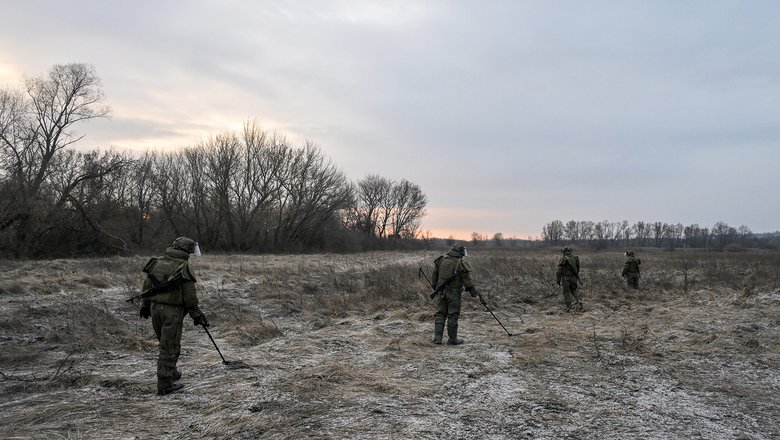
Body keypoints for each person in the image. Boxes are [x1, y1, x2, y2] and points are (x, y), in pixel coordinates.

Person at [139, 237, 209, 396]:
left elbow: (147, 286)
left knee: (164, 342)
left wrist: (145, 305)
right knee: (170, 346)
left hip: (155, 309)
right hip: (172, 311)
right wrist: (195, 313)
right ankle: (164, 384)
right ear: (187, 250)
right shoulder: (183, 266)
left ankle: (171, 371)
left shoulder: (158, 262)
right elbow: (189, 295)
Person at [431, 244, 480, 345]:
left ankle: (438, 339)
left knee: (440, 313)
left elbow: (434, 277)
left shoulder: (441, 260)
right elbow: (467, 281)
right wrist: (474, 294)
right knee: (453, 315)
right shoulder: (460, 263)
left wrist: (436, 289)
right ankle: (452, 340)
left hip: (441, 292)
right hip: (454, 293)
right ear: (460, 252)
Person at [555, 247, 583, 312]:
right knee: (574, 290)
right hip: (574, 278)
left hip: (565, 278)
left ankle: (569, 307)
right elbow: (578, 269)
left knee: (566, 292)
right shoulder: (575, 258)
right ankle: (579, 300)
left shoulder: (562, 259)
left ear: (563, 252)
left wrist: (558, 280)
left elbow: (558, 271)